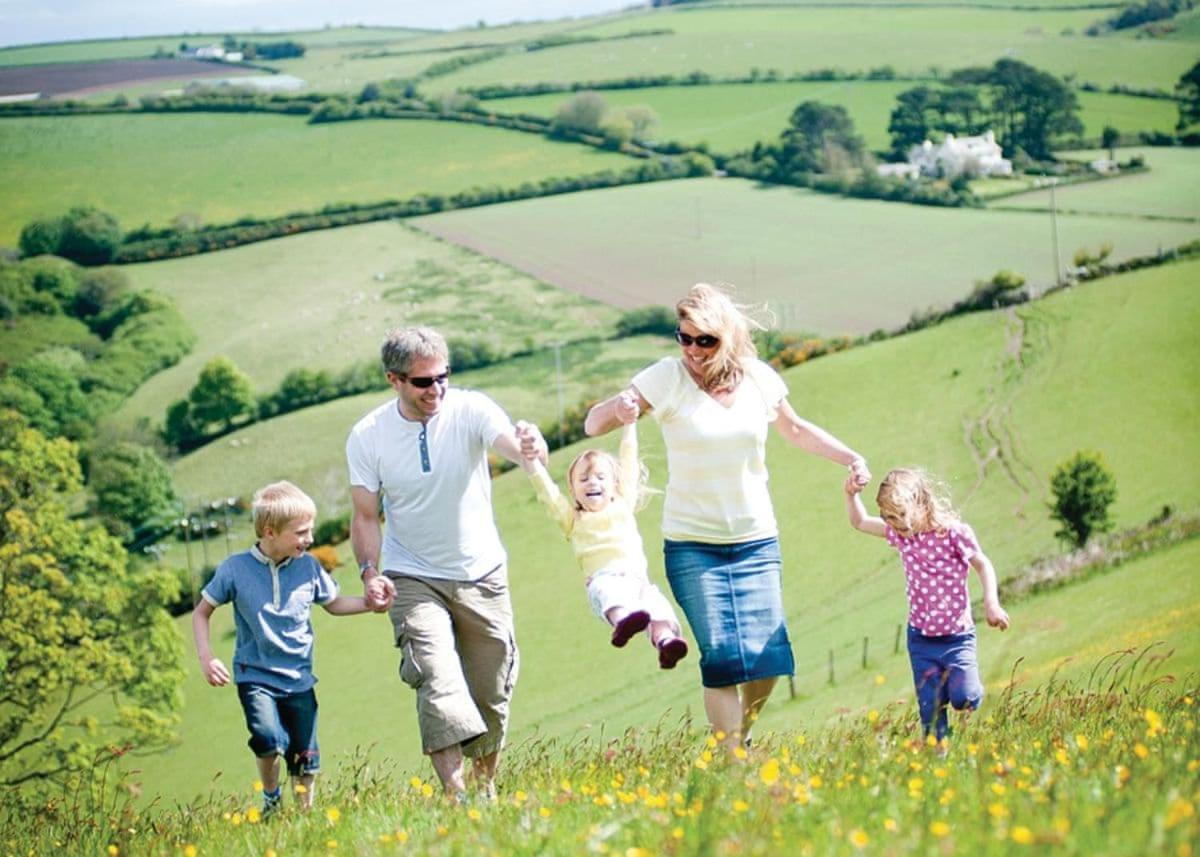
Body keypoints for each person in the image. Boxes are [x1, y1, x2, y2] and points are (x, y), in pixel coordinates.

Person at [584, 283, 870, 753]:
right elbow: (593, 424)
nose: (693, 350)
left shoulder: (758, 379)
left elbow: (796, 429)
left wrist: (850, 457)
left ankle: (742, 732)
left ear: (728, 338)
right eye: (684, 338)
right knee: (719, 657)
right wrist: (620, 408)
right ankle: (732, 763)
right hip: (692, 545)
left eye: (705, 340)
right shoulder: (665, 378)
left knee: (770, 661)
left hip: (756, 540)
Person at [346, 326, 547, 801]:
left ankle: (484, 790)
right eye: (423, 382)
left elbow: (512, 448)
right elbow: (364, 515)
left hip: (482, 573)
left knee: (491, 690)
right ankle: (457, 801)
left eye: (443, 377)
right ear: (394, 380)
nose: (436, 389)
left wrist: (530, 446)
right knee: (436, 679)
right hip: (411, 575)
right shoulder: (368, 436)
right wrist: (370, 573)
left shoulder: (471, 408)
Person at [192, 481, 384, 815]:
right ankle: (270, 800)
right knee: (267, 739)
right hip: (256, 676)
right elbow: (201, 612)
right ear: (270, 532)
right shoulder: (235, 570)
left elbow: (334, 603)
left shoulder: (308, 567)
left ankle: (304, 816)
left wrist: (372, 604)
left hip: (299, 678)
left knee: (304, 756)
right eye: (301, 532)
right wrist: (207, 657)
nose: (309, 539)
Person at [520, 392, 689, 668]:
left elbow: (629, 459)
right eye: (583, 479)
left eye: (600, 477)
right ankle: (624, 623)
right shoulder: (572, 519)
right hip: (603, 580)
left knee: (660, 610)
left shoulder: (623, 504)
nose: (591, 483)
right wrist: (531, 461)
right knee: (612, 593)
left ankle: (667, 643)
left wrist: (629, 423)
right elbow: (547, 493)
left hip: (639, 582)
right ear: (573, 491)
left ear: (614, 485)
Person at [843, 467, 1010, 744]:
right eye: (889, 517)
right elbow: (859, 522)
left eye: (900, 515)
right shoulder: (900, 535)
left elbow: (982, 564)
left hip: (957, 638)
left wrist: (991, 603)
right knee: (930, 714)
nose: (895, 523)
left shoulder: (954, 533)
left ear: (921, 503)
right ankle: (938, 759)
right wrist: (851, 495)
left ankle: (962, 691)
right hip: (921, 640)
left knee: (964, 699)